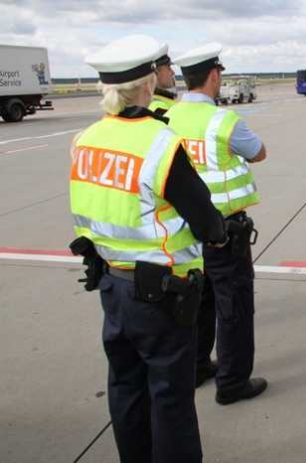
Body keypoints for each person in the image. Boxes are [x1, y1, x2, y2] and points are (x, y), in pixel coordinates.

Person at [69, 34, 228, 462]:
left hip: (111, 285)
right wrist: (216, 236)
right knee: (170, 398)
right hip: (158, 294)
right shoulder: (159, 143)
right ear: (145, 86)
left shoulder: (86, 139)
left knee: (125, 387)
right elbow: (205, 218)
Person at [166, 43, 268, 405]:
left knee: (199, 299)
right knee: (234, 305)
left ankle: (196, 367)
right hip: (224, 231)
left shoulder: (168, 118)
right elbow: (258, 152)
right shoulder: (224, 121)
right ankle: (232, 382)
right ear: (214, 76)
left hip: (183, 230)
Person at [149, 48, 178, 116]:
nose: (173, 72)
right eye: (168, 68)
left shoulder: (161, 100)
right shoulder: (158, 107)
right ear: (156, 72)